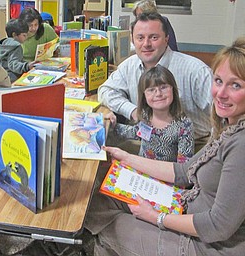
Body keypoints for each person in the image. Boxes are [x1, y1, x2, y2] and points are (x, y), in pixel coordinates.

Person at [85, 37, 245, 256]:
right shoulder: (229, 127)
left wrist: (156, 218)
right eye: (218, 81)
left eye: (235, 85)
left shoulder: (240, 145)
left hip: (206, 245)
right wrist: (126, 157)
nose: (221, 93)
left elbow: (218, 226)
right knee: (98, 200)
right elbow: (184, 171)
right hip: (185, 207)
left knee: (109, 225)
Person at [98, 12, 213, 152]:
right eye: (140, 38)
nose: (146, 44)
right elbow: (105, 91)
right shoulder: (129, 66)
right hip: (148, 140)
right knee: (104, 146)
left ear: (166, 39)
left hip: (194, 145)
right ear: (133, 41)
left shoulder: (195, 71)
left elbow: (223, 115)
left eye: (154, 37)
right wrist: (133, 111)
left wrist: (213, 153)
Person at [107, 65, 194, 163]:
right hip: (141, 170)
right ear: (144, 95)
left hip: (166, 176)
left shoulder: (184, 126)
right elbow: (135, 132)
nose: (158, 94)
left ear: (173, 89)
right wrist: (112, 124)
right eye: (151, 90)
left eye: (164, 87)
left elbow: (183, 167)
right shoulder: (146, 116)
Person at [0, 18, 34, 83]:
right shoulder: (16, 46)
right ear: (14, 35)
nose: (26, 38)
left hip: (3, 76)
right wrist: (27, 66)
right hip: (13, 78)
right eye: (24, 35)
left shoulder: (5, 44)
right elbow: (12, 64)